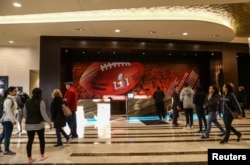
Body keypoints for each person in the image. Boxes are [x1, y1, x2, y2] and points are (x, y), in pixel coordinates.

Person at [23, 88, 52, 164]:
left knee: (30, 141)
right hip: (39, 124)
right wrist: (49, 122)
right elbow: (43, 113)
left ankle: (29, 159)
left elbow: (25, 114)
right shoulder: (41, 102)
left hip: (29, 125)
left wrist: (29, 120)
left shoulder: (27, 102)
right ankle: (42, 156)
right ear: (40, 94)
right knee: (41, 140)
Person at [0, 87, 18, 155]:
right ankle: (6, 151)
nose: (15, 92)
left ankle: (6, 149)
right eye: (14, 91)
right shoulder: (8, 100)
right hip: (7, 120)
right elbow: (8, 111)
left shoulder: (12, 99)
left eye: (16, 91)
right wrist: (13, 120)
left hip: (7, 119)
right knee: (7, 136)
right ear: (10, 92)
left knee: (3, 135)